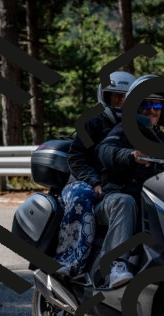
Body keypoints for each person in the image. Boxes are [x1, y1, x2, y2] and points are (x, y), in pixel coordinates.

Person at [95, 74, 164, 288]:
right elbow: (105, 150)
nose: (152, 110)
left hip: (149, 203)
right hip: (113, 201)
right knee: (125, 201)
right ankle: (116, 266)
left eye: (157, 104)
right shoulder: (123, 131)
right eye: (145, 104)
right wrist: (129, 155)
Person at [54, 71, 136, 278]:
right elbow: (76, 157)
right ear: (105, 96)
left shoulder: (137, 127)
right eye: (116, 96)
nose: (121, 101)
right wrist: (94, 182)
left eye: (127, 97)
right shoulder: (93, 123)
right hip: (82, 183)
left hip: (112, 188)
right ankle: (68, 261)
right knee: (84, 195)